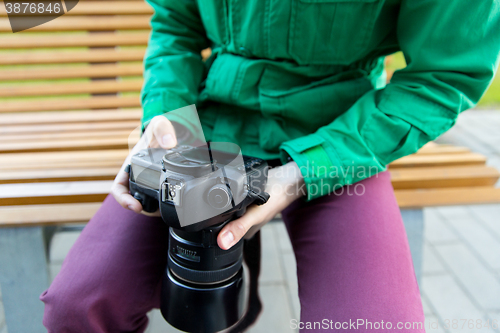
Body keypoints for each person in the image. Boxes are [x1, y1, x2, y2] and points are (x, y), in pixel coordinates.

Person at [40, 0, 500, 332]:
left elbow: (444, 74)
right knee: (77, 307)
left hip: (339, 140)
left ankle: (242, 266)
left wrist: (302, 174)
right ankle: (238, 272)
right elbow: (176, 25)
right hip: (208, 131)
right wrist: (166, 119)